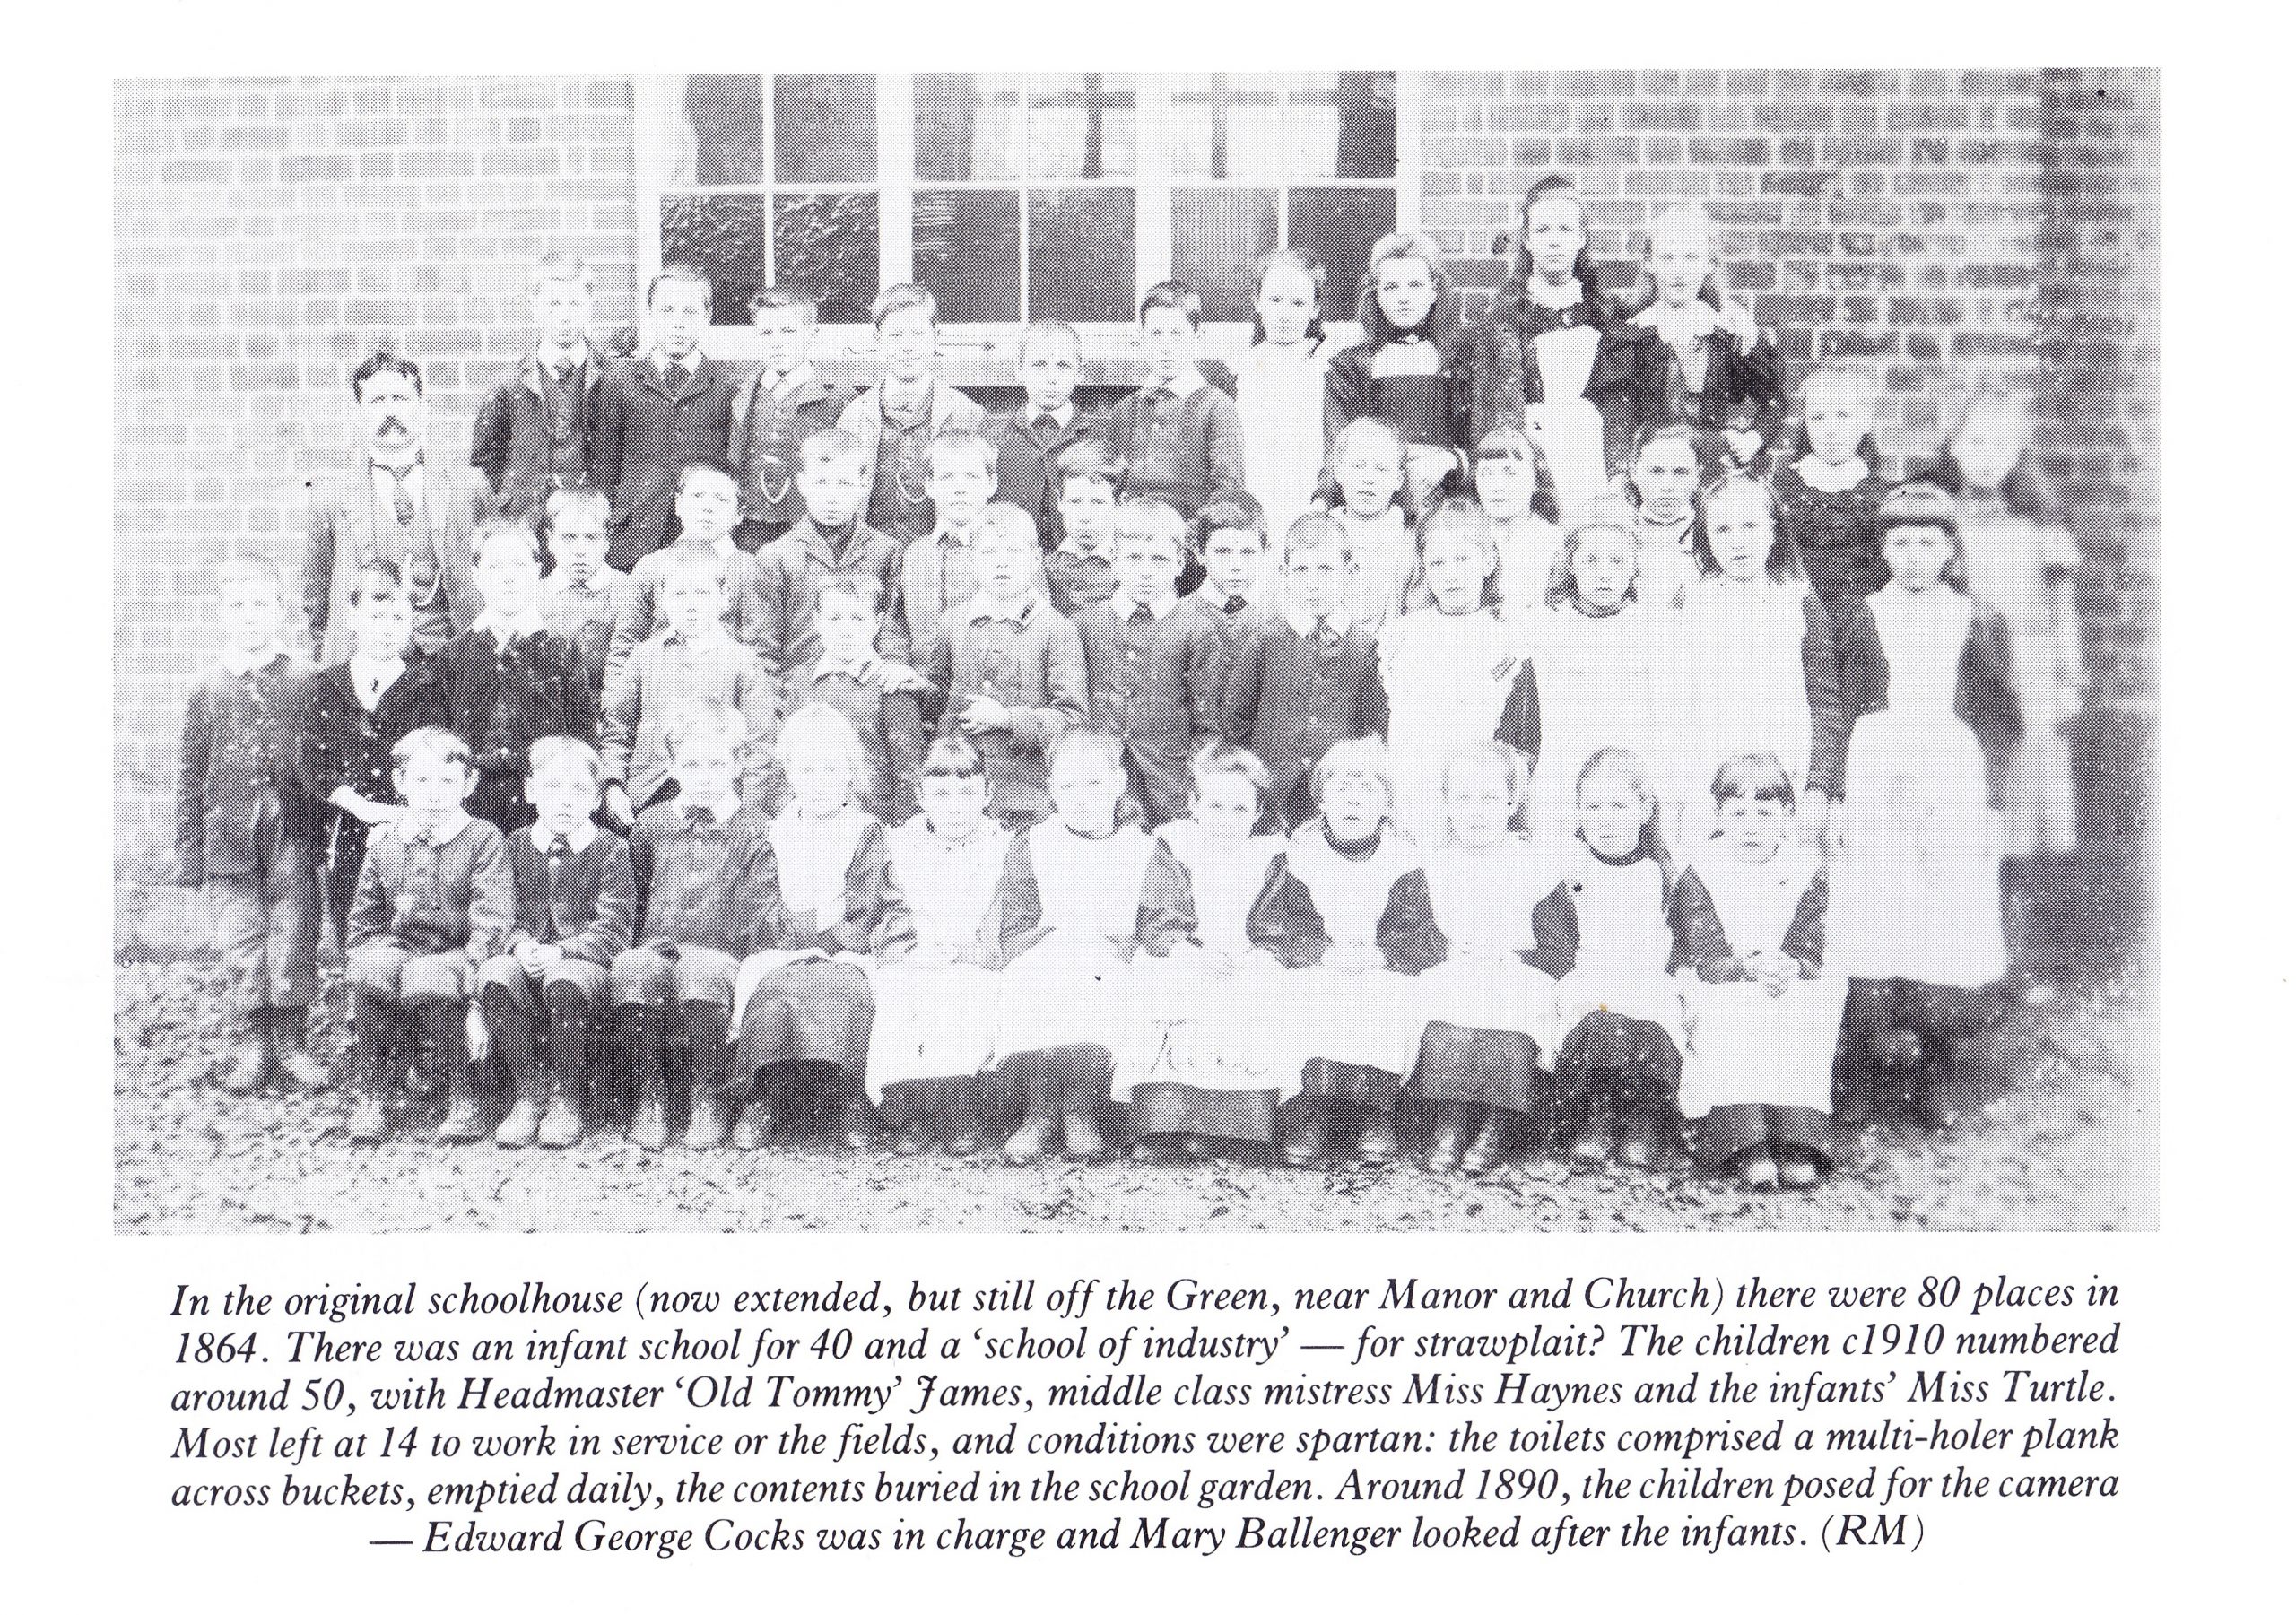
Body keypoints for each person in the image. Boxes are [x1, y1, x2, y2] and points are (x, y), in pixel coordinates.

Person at [1827, 482, 2022, 1132]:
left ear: (1949, 549)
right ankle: (1865, 1069)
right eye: (1901, 542)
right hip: (1876, 766)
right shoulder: (1862, 614)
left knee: (1941, 913)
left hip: (1950, 773)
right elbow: (1843, 704)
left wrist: (1993, 804)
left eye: (1927, 542)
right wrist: (1837, 795)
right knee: (1873, 909)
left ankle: (1930, 1071)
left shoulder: (1975, 617)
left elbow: (1999, 718)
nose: (1913, 555)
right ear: (1883, 549)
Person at [1922, 389, 2087, 995]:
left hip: (2032, 674)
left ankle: (2017, 962)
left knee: (2021, 820)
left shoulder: (2041, 525)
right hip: (1967, 676)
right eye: (1975, 443)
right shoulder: (1940, 520)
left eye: (2001, 444)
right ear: (1953, 448)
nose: (1987, 457)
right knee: (1964, 813)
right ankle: (1956, 956)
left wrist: (2069, 679)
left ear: (2018, 452)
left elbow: (2063, 610)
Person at [988, 728, 1198, 1164]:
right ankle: (1041, 1110)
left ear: (1119, 783)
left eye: (1094, 784)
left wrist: (1152, 943)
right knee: (1037, 979)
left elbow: (1164, 920)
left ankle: (1082, 1108)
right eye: (1068, 787)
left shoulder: (1143, 848)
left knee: (1102, 984)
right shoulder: (1031, 844)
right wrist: (1045, 937)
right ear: (1050, 790)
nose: (1081, 797)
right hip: (1044, 952)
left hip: (1114, 957)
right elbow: (1015, 921)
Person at [1244, 738, 1439, 1168]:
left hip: (1380, 962)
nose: (1353, 801)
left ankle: (1376, 1112)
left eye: (1367, 790)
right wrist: (1317, 953)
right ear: (1321, 798)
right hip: (1319, 962)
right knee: (1307, 996)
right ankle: (1313, 1109)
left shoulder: (1403, 858)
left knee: (1388, 999)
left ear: (1387, 803)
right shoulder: (1299, 855)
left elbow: (1421, 929)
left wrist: (1384, 954)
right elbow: (1272, 923)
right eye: (1340, 790)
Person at [730, 704, 916, 1151]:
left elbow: (875, 904)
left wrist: (837, 932)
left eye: (831, 770)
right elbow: (756, 908)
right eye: (807, 770)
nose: (818, 783)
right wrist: (805, 924)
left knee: (841, 987)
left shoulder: (870, 833)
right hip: (782, 949)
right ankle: (765, 1098)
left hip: (848, 950)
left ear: (850, 774)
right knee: (774, 987)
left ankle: (851, 1103)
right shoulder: (772, 834)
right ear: (790, 773)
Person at [610, 701, 787, 1152]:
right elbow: (631, 895)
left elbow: (763, 916)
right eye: (691, 763)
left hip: (720, 952)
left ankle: (706, 1097)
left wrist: (725, 946)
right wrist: (637, 944)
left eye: (716, 763)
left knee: (703, 974)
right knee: (633, 970)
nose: (704, 774)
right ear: (672, 767)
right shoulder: (652, 823)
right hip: (657, 947)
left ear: (736, 767)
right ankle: (652, 1096)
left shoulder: (754, 829)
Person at [178, 556, 324, 1093]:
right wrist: (191, 848)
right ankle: (248, 1044)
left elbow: (322, 760)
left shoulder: (305, 681)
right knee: (241, 944)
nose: (249, 616)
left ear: (282, 612)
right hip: (230, 836)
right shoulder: (210, 690)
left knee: (295, 936)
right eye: (238, 605)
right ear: (222, 614)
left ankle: (294, 1046)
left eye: (260, 604)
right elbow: (194, 773)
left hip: (293, 831)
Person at [1668, 754, 1841, 1190]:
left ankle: (1797, 1139)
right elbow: (1703, 956)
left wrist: (1791, 963)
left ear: (1787, 817)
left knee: (1804, 1007)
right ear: (1719, 816)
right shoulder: (1701, 871)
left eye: (1765, 814)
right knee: (1733, 1012)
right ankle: (1745, 1141)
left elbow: (1812, 944)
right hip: (1722, 978)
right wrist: (1745, 966)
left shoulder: (1806, 868)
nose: (1750, 826)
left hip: (1783, 979)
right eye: (1737, 814)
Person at [341, 727, 514, 1144]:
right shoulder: (384, 839)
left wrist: (474, 980)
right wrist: (368, 953)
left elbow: (491, 920)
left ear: (469, 785)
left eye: (447, 782)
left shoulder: (482, 838)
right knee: (371, 967)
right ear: (399, 783)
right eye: (421, 781)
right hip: (401, 947)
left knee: (431, 977)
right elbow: (365, 918)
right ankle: (374, 1091)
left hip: (456, 952)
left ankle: (464, 1095)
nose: (434, 794)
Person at [1672, 472, 1857, 848]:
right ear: (1707, 537)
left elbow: (1825, 703)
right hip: (1707, 767)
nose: (1737, 542)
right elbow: (1672, 699)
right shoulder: (1689, 601)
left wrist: (1820, 787)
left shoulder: (1797, 601)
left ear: (1773, 532)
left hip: (1784, 767)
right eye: (1722, 530)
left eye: (1750, 526)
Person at [1127, 742, 1294, 1160]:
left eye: (1240, 810)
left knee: (1257, 992)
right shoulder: (1174, 845)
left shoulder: (1269, 854)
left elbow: (1282, 919)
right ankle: (1167, 1123)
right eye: (1216, 806)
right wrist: (1192, 953)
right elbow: (1159, 914)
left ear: (1256, 814)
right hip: (1186, 951)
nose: (1226, 820)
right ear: (1195, 805)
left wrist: (1257, 953)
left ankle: (1232, 1129)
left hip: (1247, 955)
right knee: (1167, 986)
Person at [474, 737, 636, 1150]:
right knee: (496, 973)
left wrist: (563, 950)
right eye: (553, 787)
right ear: (529, 790)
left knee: (566, 978)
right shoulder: (512, 846)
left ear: (597, 799)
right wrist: (520, 944)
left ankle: (567, 1096)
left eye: (580, 790)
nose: (565, 801)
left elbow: (615, 927)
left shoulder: (611, 849)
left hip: (584, 965)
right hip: (529, 960)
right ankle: (529, 1093)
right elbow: (499, 913)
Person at [1529, 747, 1684, 1171]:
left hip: (1646, 979)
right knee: (1596, 1025)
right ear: (1577, 812)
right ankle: (1593, 1119)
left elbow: (1684, 939)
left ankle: (1640, 1122)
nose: (1606, 819)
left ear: (1645, 809)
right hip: (1590, 976)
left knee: (1648, 1030)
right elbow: (1554, 936)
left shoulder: (1662, 871)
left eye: (1619, 806)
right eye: (1593, 807)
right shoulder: (1568, 869)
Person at [1411, 743, 1558, 1176]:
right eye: (1464, 798)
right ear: (1448, 804)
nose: (1476, 811)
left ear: (1512, 803)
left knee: (1514, 1006)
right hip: (1454, 964)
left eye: (1490, 798)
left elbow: (1560, 942)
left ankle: (1496, 1122)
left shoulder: (1534, 865)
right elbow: (1413, 934)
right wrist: (1447, 951)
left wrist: (1517, 954)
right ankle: (1452, 1118)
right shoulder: (1434, 866)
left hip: (1517, 968)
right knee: (1445, 1002)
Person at [868, 736, 1013, 1157]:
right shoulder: (899, 846)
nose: (954, 806)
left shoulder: (1004, 848)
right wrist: (907, 951)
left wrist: (961, 954)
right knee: (900, 992)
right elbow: (889, 910)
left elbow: (1002, 921)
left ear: (987, 793)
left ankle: (959, 1109)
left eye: (967, 793)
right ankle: (912, 1109)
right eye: (940, 794)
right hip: (916, 955)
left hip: (976, 958)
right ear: (920, 796)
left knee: (967, 991)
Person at [294, 561, 448, 948]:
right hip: (346, 822)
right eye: (376, 616)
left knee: (413, 917)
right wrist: (359, 805)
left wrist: (404, 811)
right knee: (355, 915)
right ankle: (359, 989)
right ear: (353, 617)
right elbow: (311, 759)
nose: (386, 628)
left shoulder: (426, 686)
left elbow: (435, 754)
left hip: (411, 823)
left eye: (398, 617)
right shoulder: (324, 686)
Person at [1375, 499, 1541, 849]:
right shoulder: (1401, 637)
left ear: (1488, 562)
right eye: (1438, 563)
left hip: (1477, 805)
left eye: (1463, 559)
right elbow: (1382, 721)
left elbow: (1521, 737)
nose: (1451, 574)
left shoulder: (1506, 641)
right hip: (1409, 794)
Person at [304, 350, 483, 662]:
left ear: (422, 408)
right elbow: (315, 592)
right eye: (377, 401)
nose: (390, 412)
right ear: (359, 413)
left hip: (448, 655)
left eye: (400, 399)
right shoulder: (330, 497)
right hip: (365, 659)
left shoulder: (467, 486)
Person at [1468, 174, 1627, 515]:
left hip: (1591, 450)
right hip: (1532, 449)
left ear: (1582, 237)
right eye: (1543, 231)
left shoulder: (1604, 311)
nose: (1554, 241)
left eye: (1566, 230)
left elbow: (1668, 308)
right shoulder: (1503, 317)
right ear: (1526, 240)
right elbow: (1487, 403)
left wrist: (1725, 309)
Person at [1219, 512, 1389, 828]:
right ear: (1284, 574)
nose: (1313, 582)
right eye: (1301, 570)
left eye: (1326, 569)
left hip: (1335, 800)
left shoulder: (1365, 648)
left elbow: (1372, 731)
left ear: (1350, 573)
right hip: (1271, 794)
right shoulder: (1264, 640)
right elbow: (1235, 719)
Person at [923, 503, 1087, 829]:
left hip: (1027, 791)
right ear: (972, 561)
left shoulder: (1057, 629)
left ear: (1036, 559)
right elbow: (934, 700)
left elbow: (1072, 719)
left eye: (1013, 551)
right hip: (963, 790)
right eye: (988, 553)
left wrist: (1008, 718)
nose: (1001, 562)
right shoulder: (953, 622)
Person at [1523, 500, 1677, 843]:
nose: (1604, 573)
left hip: (1635, 769)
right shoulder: (1546, 627)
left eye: (1617, 561)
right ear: (1571, 567)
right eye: (1590, 561)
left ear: (1635, 568)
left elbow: (1670, 716)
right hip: (1565, 771)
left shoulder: (1654, 628)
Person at [598, 545, 781, 828]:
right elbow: (617, 731)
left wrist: (746, 814)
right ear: (663, 601)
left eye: (702, 594)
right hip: (649, 796)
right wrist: (613, 785)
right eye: (679, 595)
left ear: (723, 600)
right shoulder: (644, 657)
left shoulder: (742, 661)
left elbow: (759, 744)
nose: (691, 606)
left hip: (717, 798)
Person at [438, 519, 598, 832]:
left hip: (542, 807)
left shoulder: (561, 651)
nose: (508, 578)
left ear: (538, 573)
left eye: (519, 565)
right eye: (495, 567)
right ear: (476, 576)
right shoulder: (453, 654)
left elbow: (583, 736)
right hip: (469, 806)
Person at [1074, 498, 1222, 826]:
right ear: (1113, 558)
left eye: (1159, 559)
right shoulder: (1084, 624)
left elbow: (1209, 726)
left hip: (1169, 783)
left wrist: (1191, 782)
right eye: (1133, 558)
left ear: (1180, 562)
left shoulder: (1198, 628)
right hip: (1099, 782)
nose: (1146, 572)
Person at [592, 264, 744, 569]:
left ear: (707, 317)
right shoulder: (619, 382)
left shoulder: (727, 385)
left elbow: (732, 468)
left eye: (689, 312)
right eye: (667, 311)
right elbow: (604, 468)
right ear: (650, 314)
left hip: (702, 535)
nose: (678, 323)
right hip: (635, 530)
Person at [1612, 205, 1783, 474]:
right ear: (1650, 263)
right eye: (1667, 258)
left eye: (1691, 258)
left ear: (1709, 265)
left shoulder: (1727, 330)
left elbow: (1773, 399)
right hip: (1653, 470)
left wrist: (1753, 438)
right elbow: (1615, 412)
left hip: (1709, 465)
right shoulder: (1634, 331)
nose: (1678, 271)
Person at [1323, 231, 1473, 508]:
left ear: (1434, 292)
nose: (1404, 298)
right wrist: (1321, 503)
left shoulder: (1462, 360)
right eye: (1391, 287)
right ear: (1377, 296)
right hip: (1377, 503)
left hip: (1449, 502)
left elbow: (1486, 442)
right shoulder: (1351, 366)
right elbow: (1337, 449)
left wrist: (1450, 460)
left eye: (1415, 285)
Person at [836, 283, 987, 547]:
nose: (907, 347)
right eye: (896, 335)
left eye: (918, 334)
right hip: (870, 557)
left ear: (936, 336)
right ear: (877, 340)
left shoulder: (967, 414)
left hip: (940, 553)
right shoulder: (854, 418)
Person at [754, 428, 910, 683]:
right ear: (803, 484)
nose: (832, 496)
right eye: (821, 483)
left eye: (844, 484)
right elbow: (762, 650)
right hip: (800, 695)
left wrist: (891, 673)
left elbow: (892, 633)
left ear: (862, 485)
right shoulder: (775, 556)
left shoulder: (887, 550)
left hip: (866, 694)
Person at [603, 461, 770, 689]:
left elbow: (760, 651)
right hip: (658, 697)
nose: (707, 507)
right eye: (698, 496)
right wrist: (616, 707)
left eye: (721, 499)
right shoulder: (651, 567)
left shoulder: (751, 570)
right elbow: (626, 645)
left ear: (739, 514)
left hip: (723, 701)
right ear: (678, 504)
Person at [784, 571, 928, 826]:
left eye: (858, 619)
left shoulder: (890, 684)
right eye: (834, 619)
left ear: (877, 622)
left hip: (872, 823)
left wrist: (902, 834)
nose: (846, 631)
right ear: (817, 621)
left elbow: (908, 772)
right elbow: (789, 759)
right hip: (811, 822)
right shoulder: (801, 682)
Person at [470, 252, 604, 521]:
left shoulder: (612, 379)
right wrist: (511, 499)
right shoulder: (507, 384)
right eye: (554, 304)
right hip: (524, 520)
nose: (564, 316)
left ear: (590, 306)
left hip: (587, 525)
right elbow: (486, 457)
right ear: (534, 307)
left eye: (574, 304)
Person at [1103, 282, 1247, 524]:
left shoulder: (1216, 406)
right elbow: (1110, 486)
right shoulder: (1125, 410)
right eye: (1156, 335)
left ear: (1197, 338)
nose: (1166, 347)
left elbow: (1228, 493)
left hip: (1188, 543)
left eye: (1177, 334)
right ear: (1141, 338)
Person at [899, 429, 1036, 676]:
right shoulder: (914, 555)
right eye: (948, 477)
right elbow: (894, 624)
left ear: (992, 484)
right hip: (919, 687)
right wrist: (896, 663)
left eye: (971, 477)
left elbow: (1035, 622)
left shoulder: (1011, 553)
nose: (959, 489)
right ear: (929, 485)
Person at [727, 287, 854, 552]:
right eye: (766, 333)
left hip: (811, 525)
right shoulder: (740, 391)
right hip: (750, 523)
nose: (777, 342)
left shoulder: (838, 397)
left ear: (812, 335)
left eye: (788, 331)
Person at [1773, 366, 1888, 645]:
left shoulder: (1881, 491)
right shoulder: (1784, 485)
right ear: (1806, 424)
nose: (1831, 430)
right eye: (1818, 418)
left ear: (1864, 423)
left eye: (1844, 417)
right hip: (1796, 618)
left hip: (1861, 625)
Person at [1233, 249, 1337, 533]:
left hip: (1310, 504)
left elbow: (1336, 443)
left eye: (1298, 303)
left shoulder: (1327, 369)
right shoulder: (1239, 368)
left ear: (1315, 308)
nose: (1284, 314)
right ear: (1257, 301)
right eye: (1275, 300)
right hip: (1251, 503)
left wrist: (1322, 500)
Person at [987, 320, 1105, 551]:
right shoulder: (994, 438)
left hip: (1079, 568)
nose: (1051, 377)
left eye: (1063, 365)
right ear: (1019, 370)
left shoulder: (1097, 440)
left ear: (1080, 372)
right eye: (1039, 365)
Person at [1317, 416, 1420, 630]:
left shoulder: (1410, 542)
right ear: (1339, 472)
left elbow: (1418, 618)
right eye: (1358, 466)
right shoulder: (1319, 538)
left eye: (1381, 469)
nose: (1368, 478)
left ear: (1398, 480)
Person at [535, 487, 634, 702]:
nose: (580, 549)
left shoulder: (629, 591)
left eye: (591, 537)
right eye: (569, 537)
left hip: (613, 710)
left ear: (607, 540)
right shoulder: (535, 596)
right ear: (550, 540)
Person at [1466, 426, 1564, 626]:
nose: (1497, 486)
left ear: (1536, 479)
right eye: (1486, 474)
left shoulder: (1555, 542)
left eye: (1510, 473)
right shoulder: (1465, 536)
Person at [1176, 497, 1278, 673]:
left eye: (1248, 552)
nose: (1235, 565)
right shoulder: (1179, 618)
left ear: (1265, 552)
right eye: (1222, 552)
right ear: (1199, 552)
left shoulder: (1281, 615)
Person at [1622, 423, 1707, 611]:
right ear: (1635, 472)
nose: (1667, 485)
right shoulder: (1616, 534)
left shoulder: (1712, 535)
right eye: (1656, 472)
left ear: (1697, 476)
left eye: (1680, 473)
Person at [1045, 440, 1126, 618]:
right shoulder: (1045, 568)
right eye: (1075, 502)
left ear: (1119, 503)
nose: (1085, 516)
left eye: (1098, 503)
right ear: (1060, 501)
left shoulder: (1131, 566)